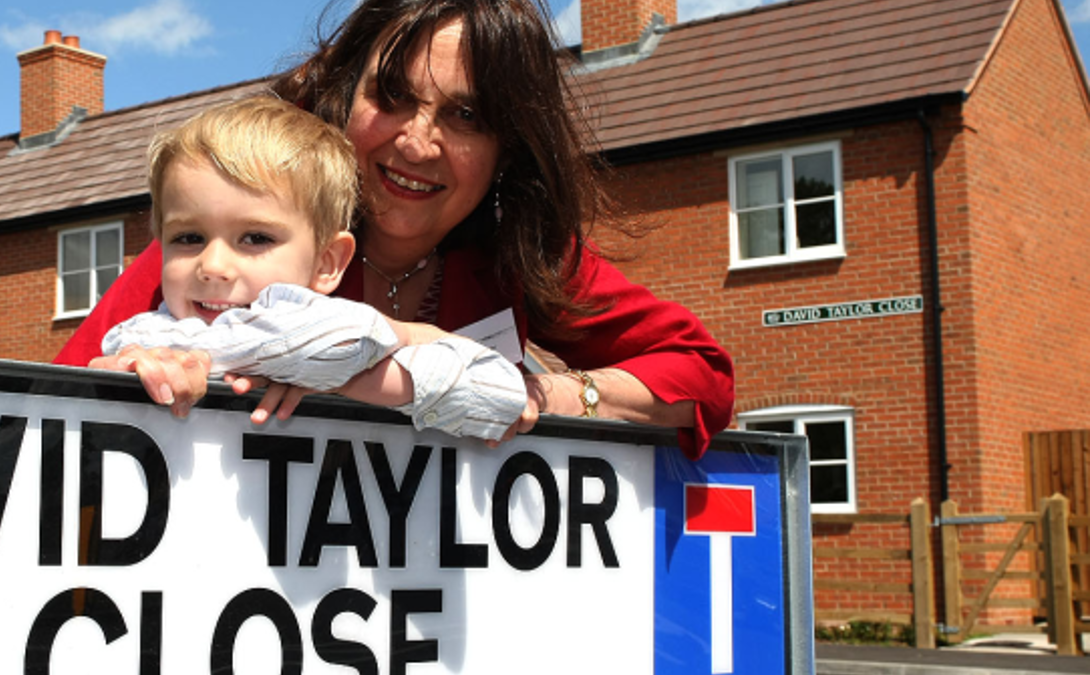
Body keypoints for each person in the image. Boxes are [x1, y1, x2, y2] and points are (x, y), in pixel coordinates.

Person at [55, 0, 734, 458]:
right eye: (393, 96)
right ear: (346, 92)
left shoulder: (520, 250)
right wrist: (134, 382)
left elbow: (702, 378)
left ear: (509, 145)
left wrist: (537, 395)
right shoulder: (236, 229)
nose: (417, 141)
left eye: (467, 116)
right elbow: (43, 407)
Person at [101, 95, 526, 440]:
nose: (212, 266)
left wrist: (351, 373)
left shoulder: (330, 333)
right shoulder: (145, 337)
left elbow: (502, 396)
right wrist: (116, 383)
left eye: (255, 238)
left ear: (327, 263)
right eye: (188, 238)